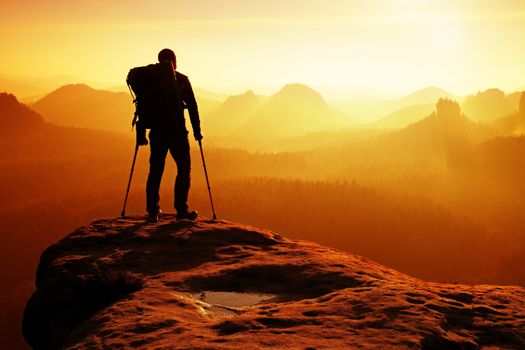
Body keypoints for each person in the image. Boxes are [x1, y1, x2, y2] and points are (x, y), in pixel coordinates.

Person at [137, 48, 202, 222]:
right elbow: (193, 107)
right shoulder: (181, 80)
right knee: (183, 169)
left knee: (156, 170)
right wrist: (197, 131)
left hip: (157, 132)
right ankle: (181, 210)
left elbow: (142, 107)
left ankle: (153, 210)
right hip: (178, 133)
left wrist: (141, 132)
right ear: (174, 61)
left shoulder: (149, 80)